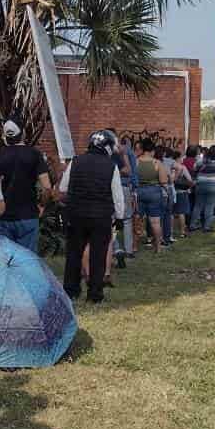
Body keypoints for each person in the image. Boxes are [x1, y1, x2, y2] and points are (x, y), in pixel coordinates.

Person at [61, 130, 126, 303]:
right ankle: (95, 294)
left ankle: (71, 290)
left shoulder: (75, 162)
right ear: (108, 147)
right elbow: (117, 196)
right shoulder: (111, 166)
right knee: (98, 256)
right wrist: (119, 218)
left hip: (76, 215)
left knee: (74, 254)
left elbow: (62, 189)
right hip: (101, 217)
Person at [0, 119, 52, 251]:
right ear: (23, 133)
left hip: (3, 217)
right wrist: (42, 205)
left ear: (6, 136)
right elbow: (47, 187)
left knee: (6, 260)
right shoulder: (34, 154)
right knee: (28, 261)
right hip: (28, 216)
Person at [134, 138, 170, 253]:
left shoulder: (136, 161)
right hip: (154, 192)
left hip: (139, 191)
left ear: (143, 149)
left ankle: (134, 246)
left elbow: (132, 178)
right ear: (152, 150)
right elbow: (164, 181)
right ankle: (158, 247)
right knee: (155, 222)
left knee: (137, 220)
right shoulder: (157, 163)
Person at [193, 144, 215, 233]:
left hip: (200, 183)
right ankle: (207, 226)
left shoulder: (201, 161)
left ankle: (193, 224)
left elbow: (195, 168)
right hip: (214, 184)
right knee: (210, 206)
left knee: (198, 205)